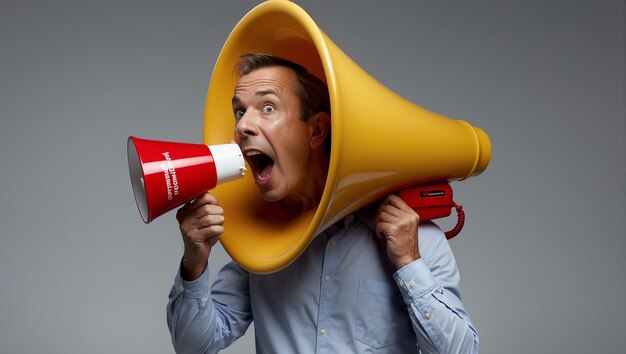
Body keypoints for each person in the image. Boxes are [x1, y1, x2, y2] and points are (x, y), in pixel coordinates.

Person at [167, 53, 479, 353]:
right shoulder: (261, 245)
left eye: (268, 108)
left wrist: (410, 263)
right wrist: (194, 264)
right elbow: (194, 346)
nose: (242, 127)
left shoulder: (415, 237)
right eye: (239, 111)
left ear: (316, 130)